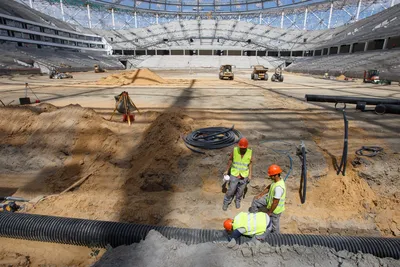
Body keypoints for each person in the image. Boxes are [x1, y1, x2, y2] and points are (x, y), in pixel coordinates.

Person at [249, 164, 286, 233]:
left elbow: (275, 202)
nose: (270, 177)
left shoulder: (279, 188)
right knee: (256, 200)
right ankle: (253, 219)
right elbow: (270, 186)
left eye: (271, 175)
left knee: (274, 227)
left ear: (276, 175)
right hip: (269, 201)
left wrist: (270, 212)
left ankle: (276, 238)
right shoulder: (276, 181)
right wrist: (260, 195)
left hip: (275, 210)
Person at [222, 137, 253, 210]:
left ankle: (237, 200)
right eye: (241, 148)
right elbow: (230, 160)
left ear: (246, 147)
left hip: (244, 175)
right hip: (234, 174)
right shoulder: (235, 150)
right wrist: (227, 170)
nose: (242, 149)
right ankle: (226, 201)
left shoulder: (249, 152)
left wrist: (250, 174)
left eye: (244, 148)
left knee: (240, 191)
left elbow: (250, 164)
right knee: (231, 190)